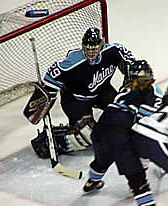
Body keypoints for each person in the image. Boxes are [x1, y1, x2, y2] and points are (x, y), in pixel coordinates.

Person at [31, 27, 140, 156]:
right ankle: (54, 140)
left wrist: (129, 86)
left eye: (94, 48)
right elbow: (50, 79)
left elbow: (133, 67)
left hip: (103, 92)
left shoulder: (113, 51)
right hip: (76, 100)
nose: (90, 52)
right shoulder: (73, 61)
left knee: (126, 111)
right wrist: (45, 98)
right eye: (87, 48)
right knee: (87, 134)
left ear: (102, 44)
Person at [82, 62, 163, 206]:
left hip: (100, 128)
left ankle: (91, 182)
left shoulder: (125, 88)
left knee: (102, 160)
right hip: (119, 132)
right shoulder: (153, 90)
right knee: (137, 178)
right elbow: (150, 116)